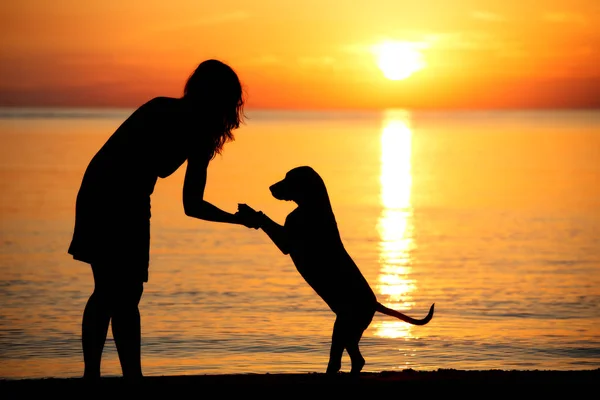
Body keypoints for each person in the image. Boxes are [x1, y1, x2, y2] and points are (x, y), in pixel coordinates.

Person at [68, 59, 258, 380]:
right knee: (113, 291)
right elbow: (127, 163)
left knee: (122, 293)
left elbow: (192, 205)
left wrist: (237, 220)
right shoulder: (162, 110)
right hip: (108, 193)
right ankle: (103, 377)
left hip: (129, 198)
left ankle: (120, 377)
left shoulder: (200, 136)